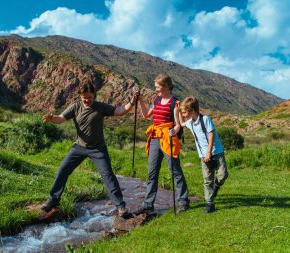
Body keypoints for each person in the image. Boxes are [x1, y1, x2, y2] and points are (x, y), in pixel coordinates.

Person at [41, 83, 138, 217]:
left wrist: (132, 103)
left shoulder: (100, 107)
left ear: (94, 95)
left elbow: (120, 111)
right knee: (63, 170)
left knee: (108, 176)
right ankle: (53, 200)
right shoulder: (75, 107)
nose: (87, 100)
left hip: (98, 149)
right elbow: (61, 118)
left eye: (90, 97)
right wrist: (52, 119)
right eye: (85, 98)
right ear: (80, 96)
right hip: (79, 147)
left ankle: (120, 207)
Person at [136, 74, 190, 214]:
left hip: (168, 138)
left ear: (166, 86)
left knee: (175, 171)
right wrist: (140, 100)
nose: (156, 90)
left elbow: (178, 125)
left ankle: (183, 202)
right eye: (155, 87)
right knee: (152, 172)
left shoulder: (175, 103)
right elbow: (147, 114)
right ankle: (148, 204)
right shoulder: (157, 99)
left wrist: (174, 130)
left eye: (158, 87)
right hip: (155, 138)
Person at [179, 96, 228, 213]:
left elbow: (211, 135)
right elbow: (181, 124)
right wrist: (178, 111)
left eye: (185, 112)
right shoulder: (190, 122)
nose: (184, 114)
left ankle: (217, 186)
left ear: (192, 110)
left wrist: (208, 153)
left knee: (223, 175)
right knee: (207, 180)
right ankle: (210, 204)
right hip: (203, 156)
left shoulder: (205, 119)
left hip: (216, 152)